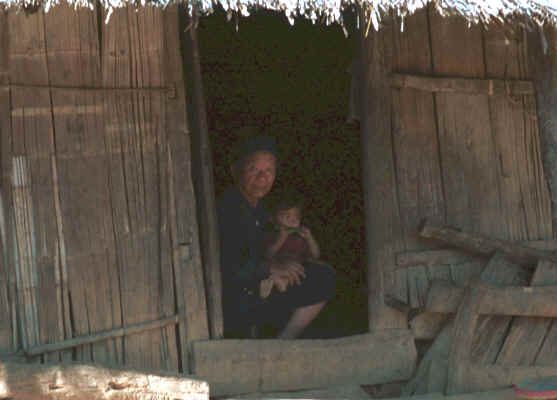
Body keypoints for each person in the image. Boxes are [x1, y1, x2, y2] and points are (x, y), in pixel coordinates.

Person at [216, 136, 336, 339]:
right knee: (322, 279)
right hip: (235, 297)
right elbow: (226, 263)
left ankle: (283, 342)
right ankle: (277, 342)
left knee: (321, 274)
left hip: (258, 285)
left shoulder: (261, 209)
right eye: (254, 169)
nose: (262, 178)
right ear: (235, 171)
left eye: (269, 171)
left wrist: (279, 261)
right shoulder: (228, 208)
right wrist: (269, 268)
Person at [259, 193, 333, 299]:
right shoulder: (273, 234)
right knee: (279, 267)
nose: (293, 219)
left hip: (298, 265)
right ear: (274, 220)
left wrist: (310, 238)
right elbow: (267, 254)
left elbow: (316, 254)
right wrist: (281, 239)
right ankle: (271, 280)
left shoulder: (300, 235)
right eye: (287, 216)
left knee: (308, 267)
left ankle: (279, 282)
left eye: (296, 216)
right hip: (279, 264)